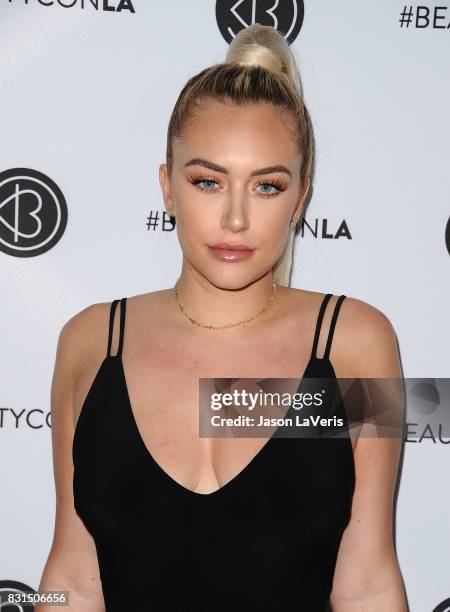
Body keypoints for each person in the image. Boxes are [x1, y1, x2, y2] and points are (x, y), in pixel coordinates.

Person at [37, 24, 407, 612]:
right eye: (208, 181)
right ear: (167, 185)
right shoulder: (89, 343)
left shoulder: (354, 344)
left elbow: (366, 582)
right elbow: (72, 574)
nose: (235, 218)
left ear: (300, 198)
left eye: (266, 186)